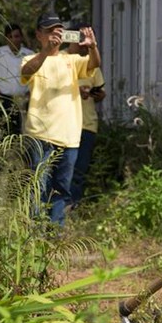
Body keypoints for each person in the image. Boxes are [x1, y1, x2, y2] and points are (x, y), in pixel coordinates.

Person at [21, 12, 100, 227]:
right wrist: (46, 52)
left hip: (69, 137)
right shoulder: (31, 59)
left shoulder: (72, 60)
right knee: (39, 186)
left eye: (58, 31)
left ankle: (54, 235)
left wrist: (92, 46)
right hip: (40, 135)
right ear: (39, 35)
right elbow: (26, 72)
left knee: (61, 189)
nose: (54, 36)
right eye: (49, 31)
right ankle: (34, 234)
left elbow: (94, 64)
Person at [65, 21, 106, 208]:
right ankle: (58, 208)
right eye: (78, 36)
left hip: (87, 123)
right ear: (69, 37)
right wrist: (75, 90)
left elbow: (100, 91)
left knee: (80, 171)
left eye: (86, 37)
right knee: (62, 169)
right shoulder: (60, 59)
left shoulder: (92, 62)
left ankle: (74, 206)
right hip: (64, 124)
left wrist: (95, 93)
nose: (82, 41)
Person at [0, 23, 34, 136]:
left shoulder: (29, 54)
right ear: (6, 38)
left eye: (16, 36)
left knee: (21, 134)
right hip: (2, 99)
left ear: (21, 37)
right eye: (10, 37)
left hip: (23, 100)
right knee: (0, 132)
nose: (13, 40)